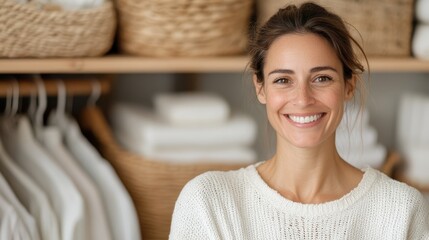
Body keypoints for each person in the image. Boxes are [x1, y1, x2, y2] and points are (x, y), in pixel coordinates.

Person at [169, 2, 429, 239]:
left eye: (322, 78)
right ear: (261, 88)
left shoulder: (400, 210)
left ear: (349, 85)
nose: (303, 99)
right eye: (283, 80)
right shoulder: (209, 203)